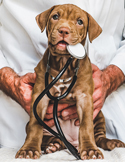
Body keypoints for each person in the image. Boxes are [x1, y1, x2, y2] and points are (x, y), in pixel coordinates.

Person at [0, 0, 125, 149]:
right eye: (55, 17)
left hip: (108, 115)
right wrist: (9, 80)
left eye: (79, 22)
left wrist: (113, 75)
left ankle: (98, 139)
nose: (64, 29)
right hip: (22, 118)